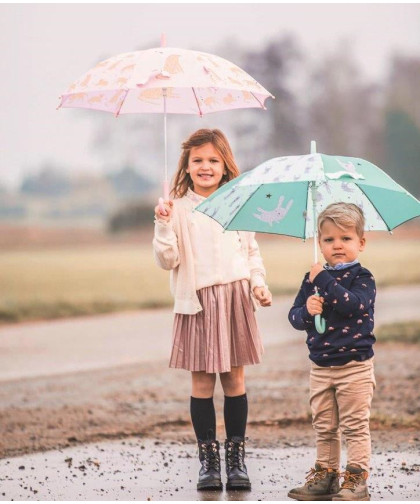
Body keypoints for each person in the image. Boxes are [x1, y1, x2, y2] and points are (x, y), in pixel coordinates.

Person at [153, 128, 272, 491]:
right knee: (202, 382)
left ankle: (236, 458)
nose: (206, 167)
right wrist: (162, 222)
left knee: (235, 379)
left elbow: (250, 252)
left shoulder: (237, 203)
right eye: (198, 161)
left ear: (225, 166)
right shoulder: (176, 208)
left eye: (213, 161)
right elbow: (166, 259)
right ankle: (209, 460)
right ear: (186, 167)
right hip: (198, 303)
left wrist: (258, 283)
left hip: (235, 298)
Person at [287, 202, 376, 501]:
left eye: (346, 238)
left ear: (360, 243)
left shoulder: (362, 278)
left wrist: (322, 279)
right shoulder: (312, 279)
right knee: (324, 425)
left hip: (355, 366)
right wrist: (308, 313)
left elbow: (352, 305)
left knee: (353, 425)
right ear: (319, 243)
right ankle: (325, 476)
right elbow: (294, 317)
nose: (337, 245)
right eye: (328, 240)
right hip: (321, 366)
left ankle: (355, 479)